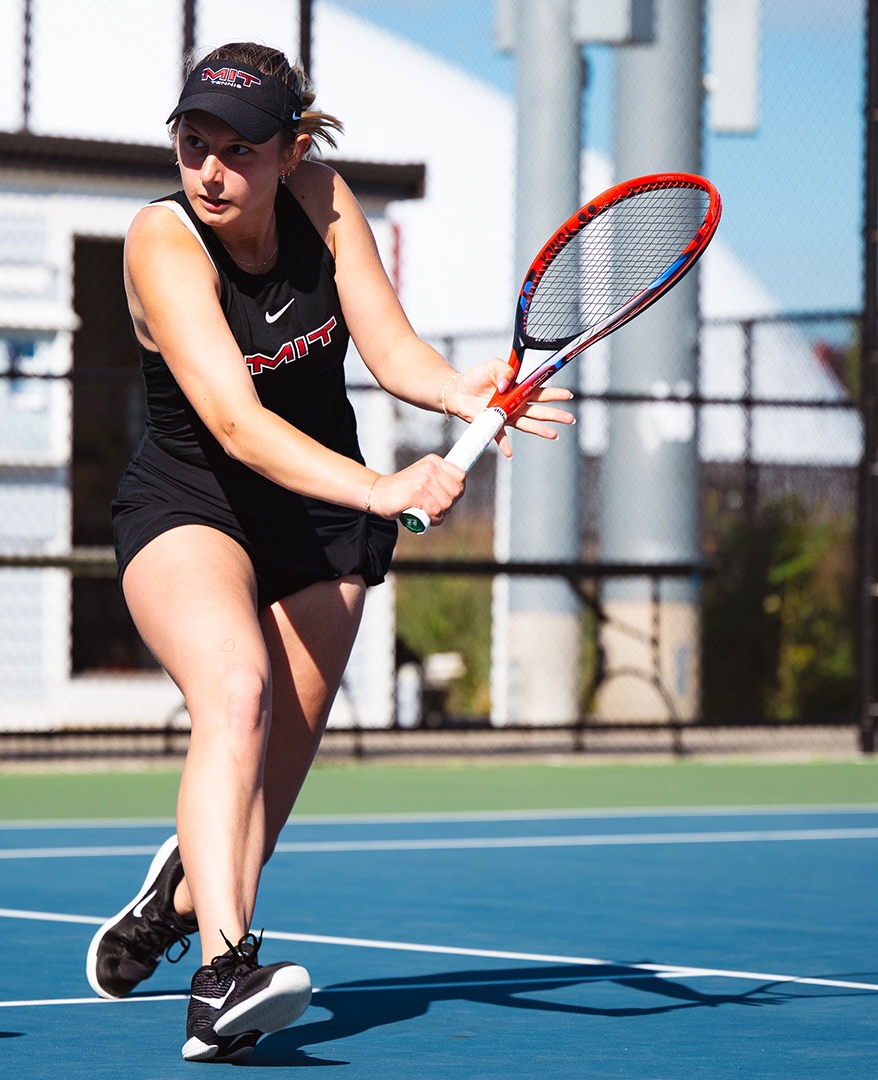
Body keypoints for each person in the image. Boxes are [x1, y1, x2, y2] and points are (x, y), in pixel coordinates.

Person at [83, 43, 573, 1062]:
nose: (212, 170)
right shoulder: (160, 242)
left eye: (239, 150)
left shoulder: (323, 198)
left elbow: (393, 353)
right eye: (192, 145)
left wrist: (462, 394)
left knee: (274, 778)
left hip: (317, 523)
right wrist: (386, 488)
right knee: (237, 695)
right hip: (192, 502)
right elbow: (234, 422)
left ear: (292, 147)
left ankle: (180, 896)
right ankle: (224, 978)